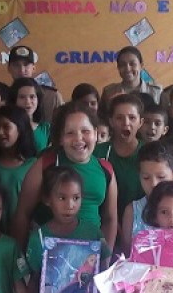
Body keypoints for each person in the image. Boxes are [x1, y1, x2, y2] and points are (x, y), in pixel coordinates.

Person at [12, 102, 118, 250]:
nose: (78, 138)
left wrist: (106, 256)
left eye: (85, 131)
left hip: (90, 254)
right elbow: (23, 213)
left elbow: (110, 219)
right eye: (70, 133)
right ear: (61, 138)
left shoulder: (105, 169)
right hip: (49, 252)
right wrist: (20, 256)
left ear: (95, 133)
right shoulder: (46, 164)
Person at [94, 94, 145, 220]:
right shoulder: (98, 152)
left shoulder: (149, 153)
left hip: (141, 223)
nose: (126, 123)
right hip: (102, 222)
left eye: (132, 118)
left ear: (140, 122)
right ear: (111, 121)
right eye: (119, 118)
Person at [0, 105, 38, 229]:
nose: (0, 132)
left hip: (24, 230)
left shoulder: (33, 165)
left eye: (6, 127)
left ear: (20, 129)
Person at [7, 45, 62, 122]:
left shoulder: (51, 96)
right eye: (16, 65)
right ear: (9, 68)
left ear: (33, 68)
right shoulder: (3, 96)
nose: (22, 70)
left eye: (26, 64)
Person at [11, 77, 52, 152]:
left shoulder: (46, 128)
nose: (28, 101)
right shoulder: (8, 129)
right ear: (14, 100)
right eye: (22, 97)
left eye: (32, 97)